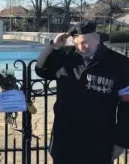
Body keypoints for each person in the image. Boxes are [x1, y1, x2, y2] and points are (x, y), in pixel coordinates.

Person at [35, 20, 129, 164]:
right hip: (65, 139)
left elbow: (126, 106)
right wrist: (53, 47)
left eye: (84, 42)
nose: (80, 47)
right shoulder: (66, 58)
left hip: (99, 141)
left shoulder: (120, 64)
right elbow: (41, 71)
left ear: (97, 39)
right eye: (76, 43)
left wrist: (122, 141)